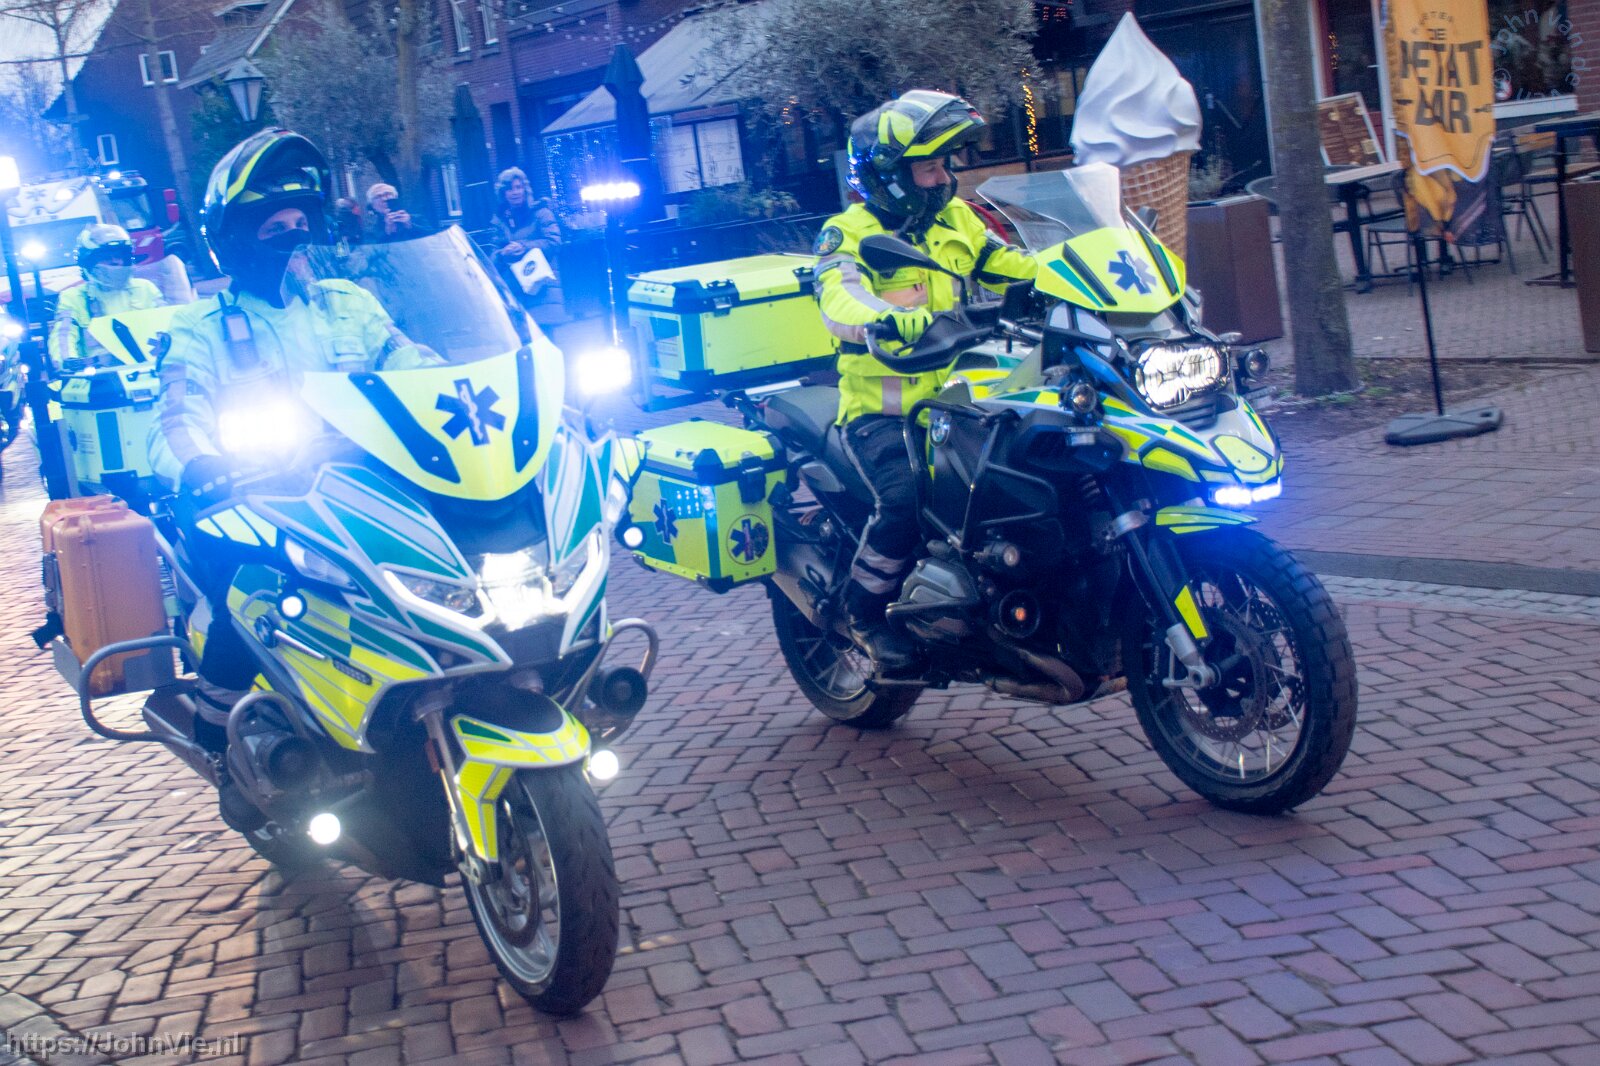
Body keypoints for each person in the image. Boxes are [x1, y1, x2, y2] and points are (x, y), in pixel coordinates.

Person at [148, 128, 435, 707]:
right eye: (274, 228)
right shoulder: (200, 327)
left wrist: (464, 393)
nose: (294, 237)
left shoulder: (348, 302)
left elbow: (410, 360)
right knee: (251, 594)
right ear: (234, 239)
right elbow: (175, 419)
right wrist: (199, 463)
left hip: (366, 485)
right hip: (257, 498)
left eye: (302, 223)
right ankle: (219, 714)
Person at [813, 90, 1038, 674]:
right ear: (891, 176)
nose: (944, 178)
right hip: (883, 415)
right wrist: (884, 316)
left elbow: (1013, 264)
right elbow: (839, 296)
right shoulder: (847, 233)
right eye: (930, 167)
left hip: (960, 404)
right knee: (907, 500)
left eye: (945, 165)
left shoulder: (959, 220)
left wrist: (1073, 272)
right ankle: (864, 613)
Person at [48, 224, 166, 372]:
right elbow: (63, 335)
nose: (115, 261)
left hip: (150, 369)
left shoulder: (145, 288)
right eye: (105, 257)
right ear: (89, 262)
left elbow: (169, 326)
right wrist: (67, 362)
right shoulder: (73, 297)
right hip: (101, 376)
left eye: (119, 256)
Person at [487, 167, 564, 320]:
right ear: (503, 193)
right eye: (509, 189)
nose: (515, 192)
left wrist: (524, 246)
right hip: (515, 294)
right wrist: (503, 254)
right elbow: (492, 257)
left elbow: (554, 242)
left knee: (543, 331)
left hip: (542, 290)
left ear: (525, 189)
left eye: (518, 187)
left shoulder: (542, 214)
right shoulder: (499, 221)